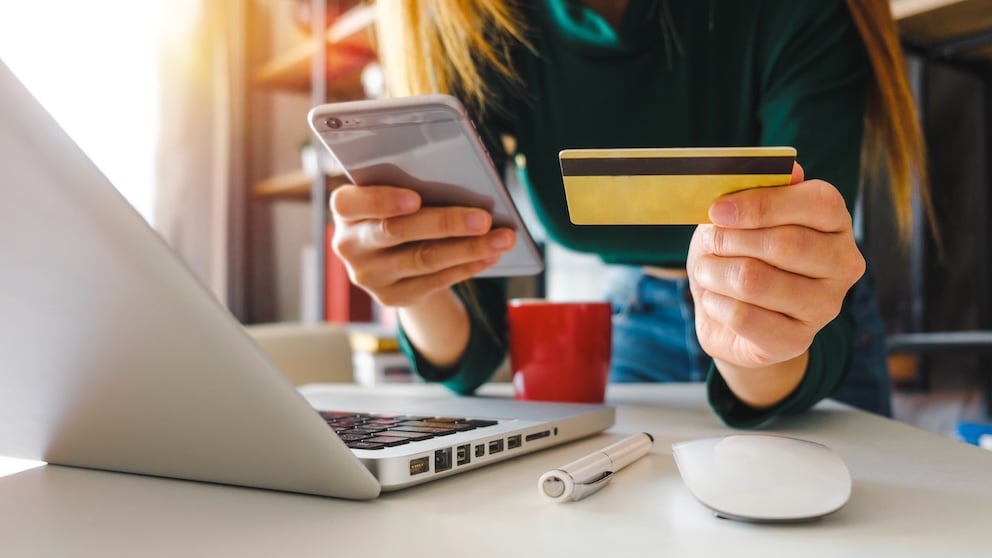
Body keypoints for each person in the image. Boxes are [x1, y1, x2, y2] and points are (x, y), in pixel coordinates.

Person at [329, 0, 931, 427]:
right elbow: (469, 357)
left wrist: (758, 344)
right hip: (632, 319)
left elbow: (806, 274)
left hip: (811, 322)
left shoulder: (805, 12)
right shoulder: (472, 18)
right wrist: (412, 283)